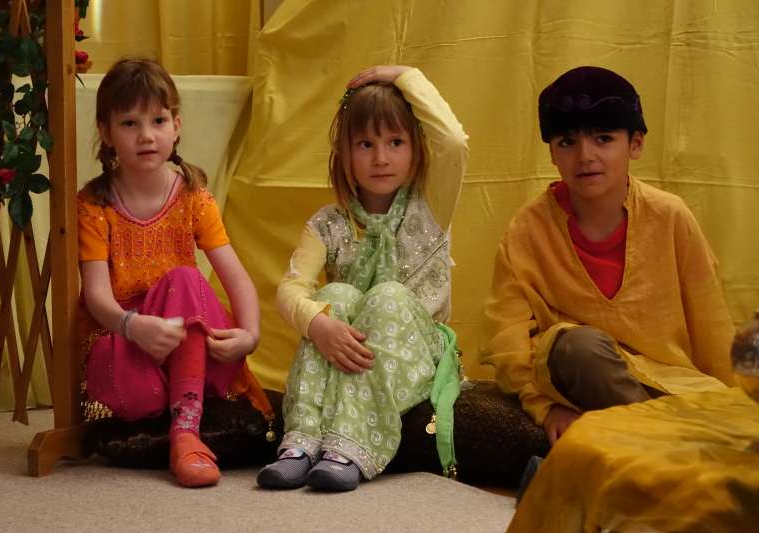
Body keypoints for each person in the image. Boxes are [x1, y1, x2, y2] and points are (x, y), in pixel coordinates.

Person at [480, 66, 735, 447]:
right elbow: (508, 337)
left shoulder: (670, 217)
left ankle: (660, 445)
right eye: (567, 142)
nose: (585, 156)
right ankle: (676, 449)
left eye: (603, 139)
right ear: (552, 153)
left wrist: (734, 404)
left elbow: (711, 325)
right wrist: (544, 406)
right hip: (578, 378)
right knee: (578, 348)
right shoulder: (528, 229)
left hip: (670, 385)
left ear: (635, 145)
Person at [256, 65, 469, 491]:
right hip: (347, 351)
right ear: (345, 153)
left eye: (396, 142)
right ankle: (302, 441)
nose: (381, 158)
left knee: (388, 295)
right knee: (335, 295)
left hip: (415, 351)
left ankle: (349, 447)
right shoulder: (327, 223)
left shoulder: (432, 204)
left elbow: (454, 140)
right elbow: (291, 289)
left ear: (416, 148)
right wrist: (319, 325)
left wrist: (403, 75)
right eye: (366, 144)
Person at [77, 58, 271, 488]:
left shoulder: (193, 198)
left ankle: (185, 432)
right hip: (130, 342)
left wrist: (250, 335)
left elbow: (236, 277)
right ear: (106, 133)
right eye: (129, 123)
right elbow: (96, 296)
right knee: (139, 393)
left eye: (158, 120)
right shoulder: (94, 205)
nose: (146, 135)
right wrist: (132, 325)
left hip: (194, 340)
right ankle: (183, 406)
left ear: (176, 125)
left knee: (185, 279)